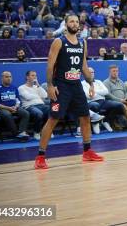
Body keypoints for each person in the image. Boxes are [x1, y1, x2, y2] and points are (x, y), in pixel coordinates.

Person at [35, 14, 104, 169]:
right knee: (53, 119)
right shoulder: (59, 41)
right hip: (61, 86)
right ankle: (40, 156)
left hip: (76, 86)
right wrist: (50, 86)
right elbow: (50, 66)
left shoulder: (82, 42)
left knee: (85, 117)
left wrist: (91, 83)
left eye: (76, 21)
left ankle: (87, 152)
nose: (74, 23)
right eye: (71, 21)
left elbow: (84, 66)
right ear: (66, 25)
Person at [0, 71, 30, 141]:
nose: (9, 78)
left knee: (25, 113)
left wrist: (16, 107)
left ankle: (21, 132)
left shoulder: (14, 88)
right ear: (2, 78)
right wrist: (9, 108)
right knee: (7, 114)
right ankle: (16, 134)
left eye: (10, 77)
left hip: (14, 107)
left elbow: (18, 100)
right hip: (1, 109)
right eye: (6, 77)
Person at [19, 70, 50, 140]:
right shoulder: (21, 87)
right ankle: (37, 132)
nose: (35, 77)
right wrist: (37, 95)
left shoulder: (37, 87)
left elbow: (45, 96)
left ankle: (45, 131)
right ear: (27, 77)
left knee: (52, 111)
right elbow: (28, 97)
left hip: (41, 105)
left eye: (35, 75)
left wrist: (38, 86)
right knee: (39, 113)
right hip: (29, 106)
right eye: (32, 75)